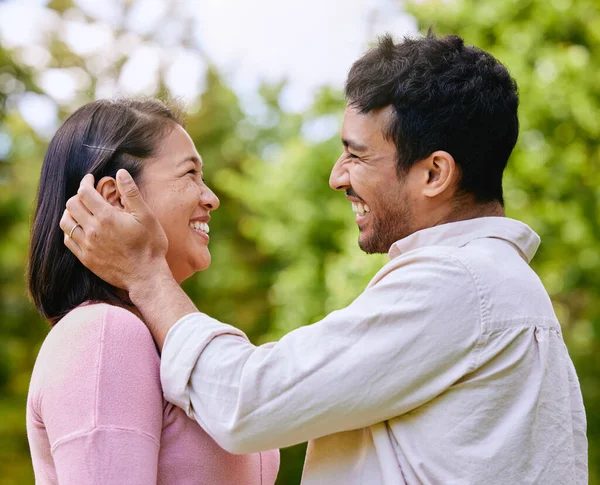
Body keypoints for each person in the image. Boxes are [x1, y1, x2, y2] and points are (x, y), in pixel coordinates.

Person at [61, 33, 587, 485]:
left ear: (433, 174)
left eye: (356, 155)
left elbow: (249, 400)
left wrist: (148, 277)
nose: (337, 176)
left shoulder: (460, 284)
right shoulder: (491, 287)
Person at [26, 98, 279, 485]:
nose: (211, 198)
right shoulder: (104, 334)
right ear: (114, 199)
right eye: (189, 174)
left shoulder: (154, 336)